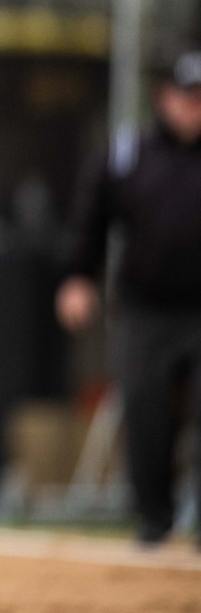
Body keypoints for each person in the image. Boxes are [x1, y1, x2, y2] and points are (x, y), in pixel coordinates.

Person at [58, 49, 201, 546]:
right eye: (188, 98)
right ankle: (154, 521)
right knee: (146, 413)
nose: (194, 109)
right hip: (147, 308)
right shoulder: (129, 153)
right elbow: (90, 217)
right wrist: (78, 276)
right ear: (165, 98)